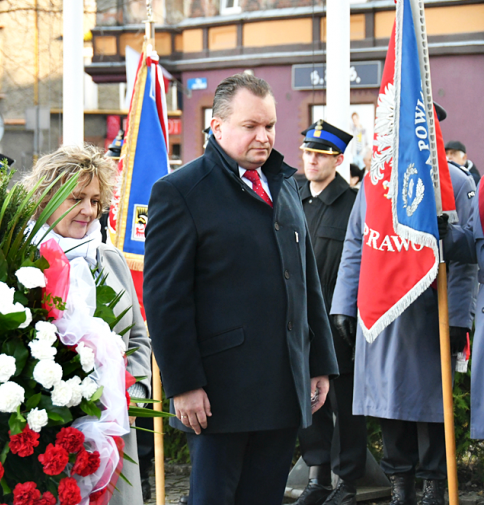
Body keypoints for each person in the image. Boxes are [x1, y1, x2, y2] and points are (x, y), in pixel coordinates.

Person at [144, 73, 339, 505]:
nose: (263, 136)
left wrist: (318, 361)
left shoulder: (284, 184)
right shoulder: (180, 192)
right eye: (250, 126)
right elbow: (165, 299)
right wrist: (183, 384)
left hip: (281, 386)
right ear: (217, 127)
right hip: (218, 393)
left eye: (269, 126)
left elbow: (305, 282)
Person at [330, 157, 476, 505]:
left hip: (430, 314)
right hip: (382, 311)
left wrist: (458, 317)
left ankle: (434, 488)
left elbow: (470, 255)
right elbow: (356, 243)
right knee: (388, 402)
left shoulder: (453, 180)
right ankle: (401, 486)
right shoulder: (376, 180)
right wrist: (344, 304)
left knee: (431, 406)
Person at [22, 144, 152, 505]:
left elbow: (138, 336)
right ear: (46, 198)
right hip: (47, 435)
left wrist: (133, 388)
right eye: (76, 198)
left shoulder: (109, 259)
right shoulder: (20, 260)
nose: (88, 210)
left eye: (95, 200)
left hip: (113, 431)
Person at [293, 121, 365, 505]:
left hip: (339, 323)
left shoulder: (353, 203)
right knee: (309, 402)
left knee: (345, 405)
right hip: (299, 321)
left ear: (338, 159)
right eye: (308, 152)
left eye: (321, 154)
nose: (312, 160)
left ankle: (348, 483)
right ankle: (318, 478)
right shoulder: (292, 195)